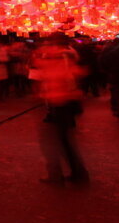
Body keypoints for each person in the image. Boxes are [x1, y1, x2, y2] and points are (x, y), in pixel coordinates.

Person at [31, 34, 89, 184]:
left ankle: (62, 175)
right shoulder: (68, 57)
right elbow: (79, 73)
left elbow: (48, 76)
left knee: (57, 141)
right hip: (66, 102)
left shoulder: (54, 58)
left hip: (60, 103)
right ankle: (77, 172)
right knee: (64, 140)